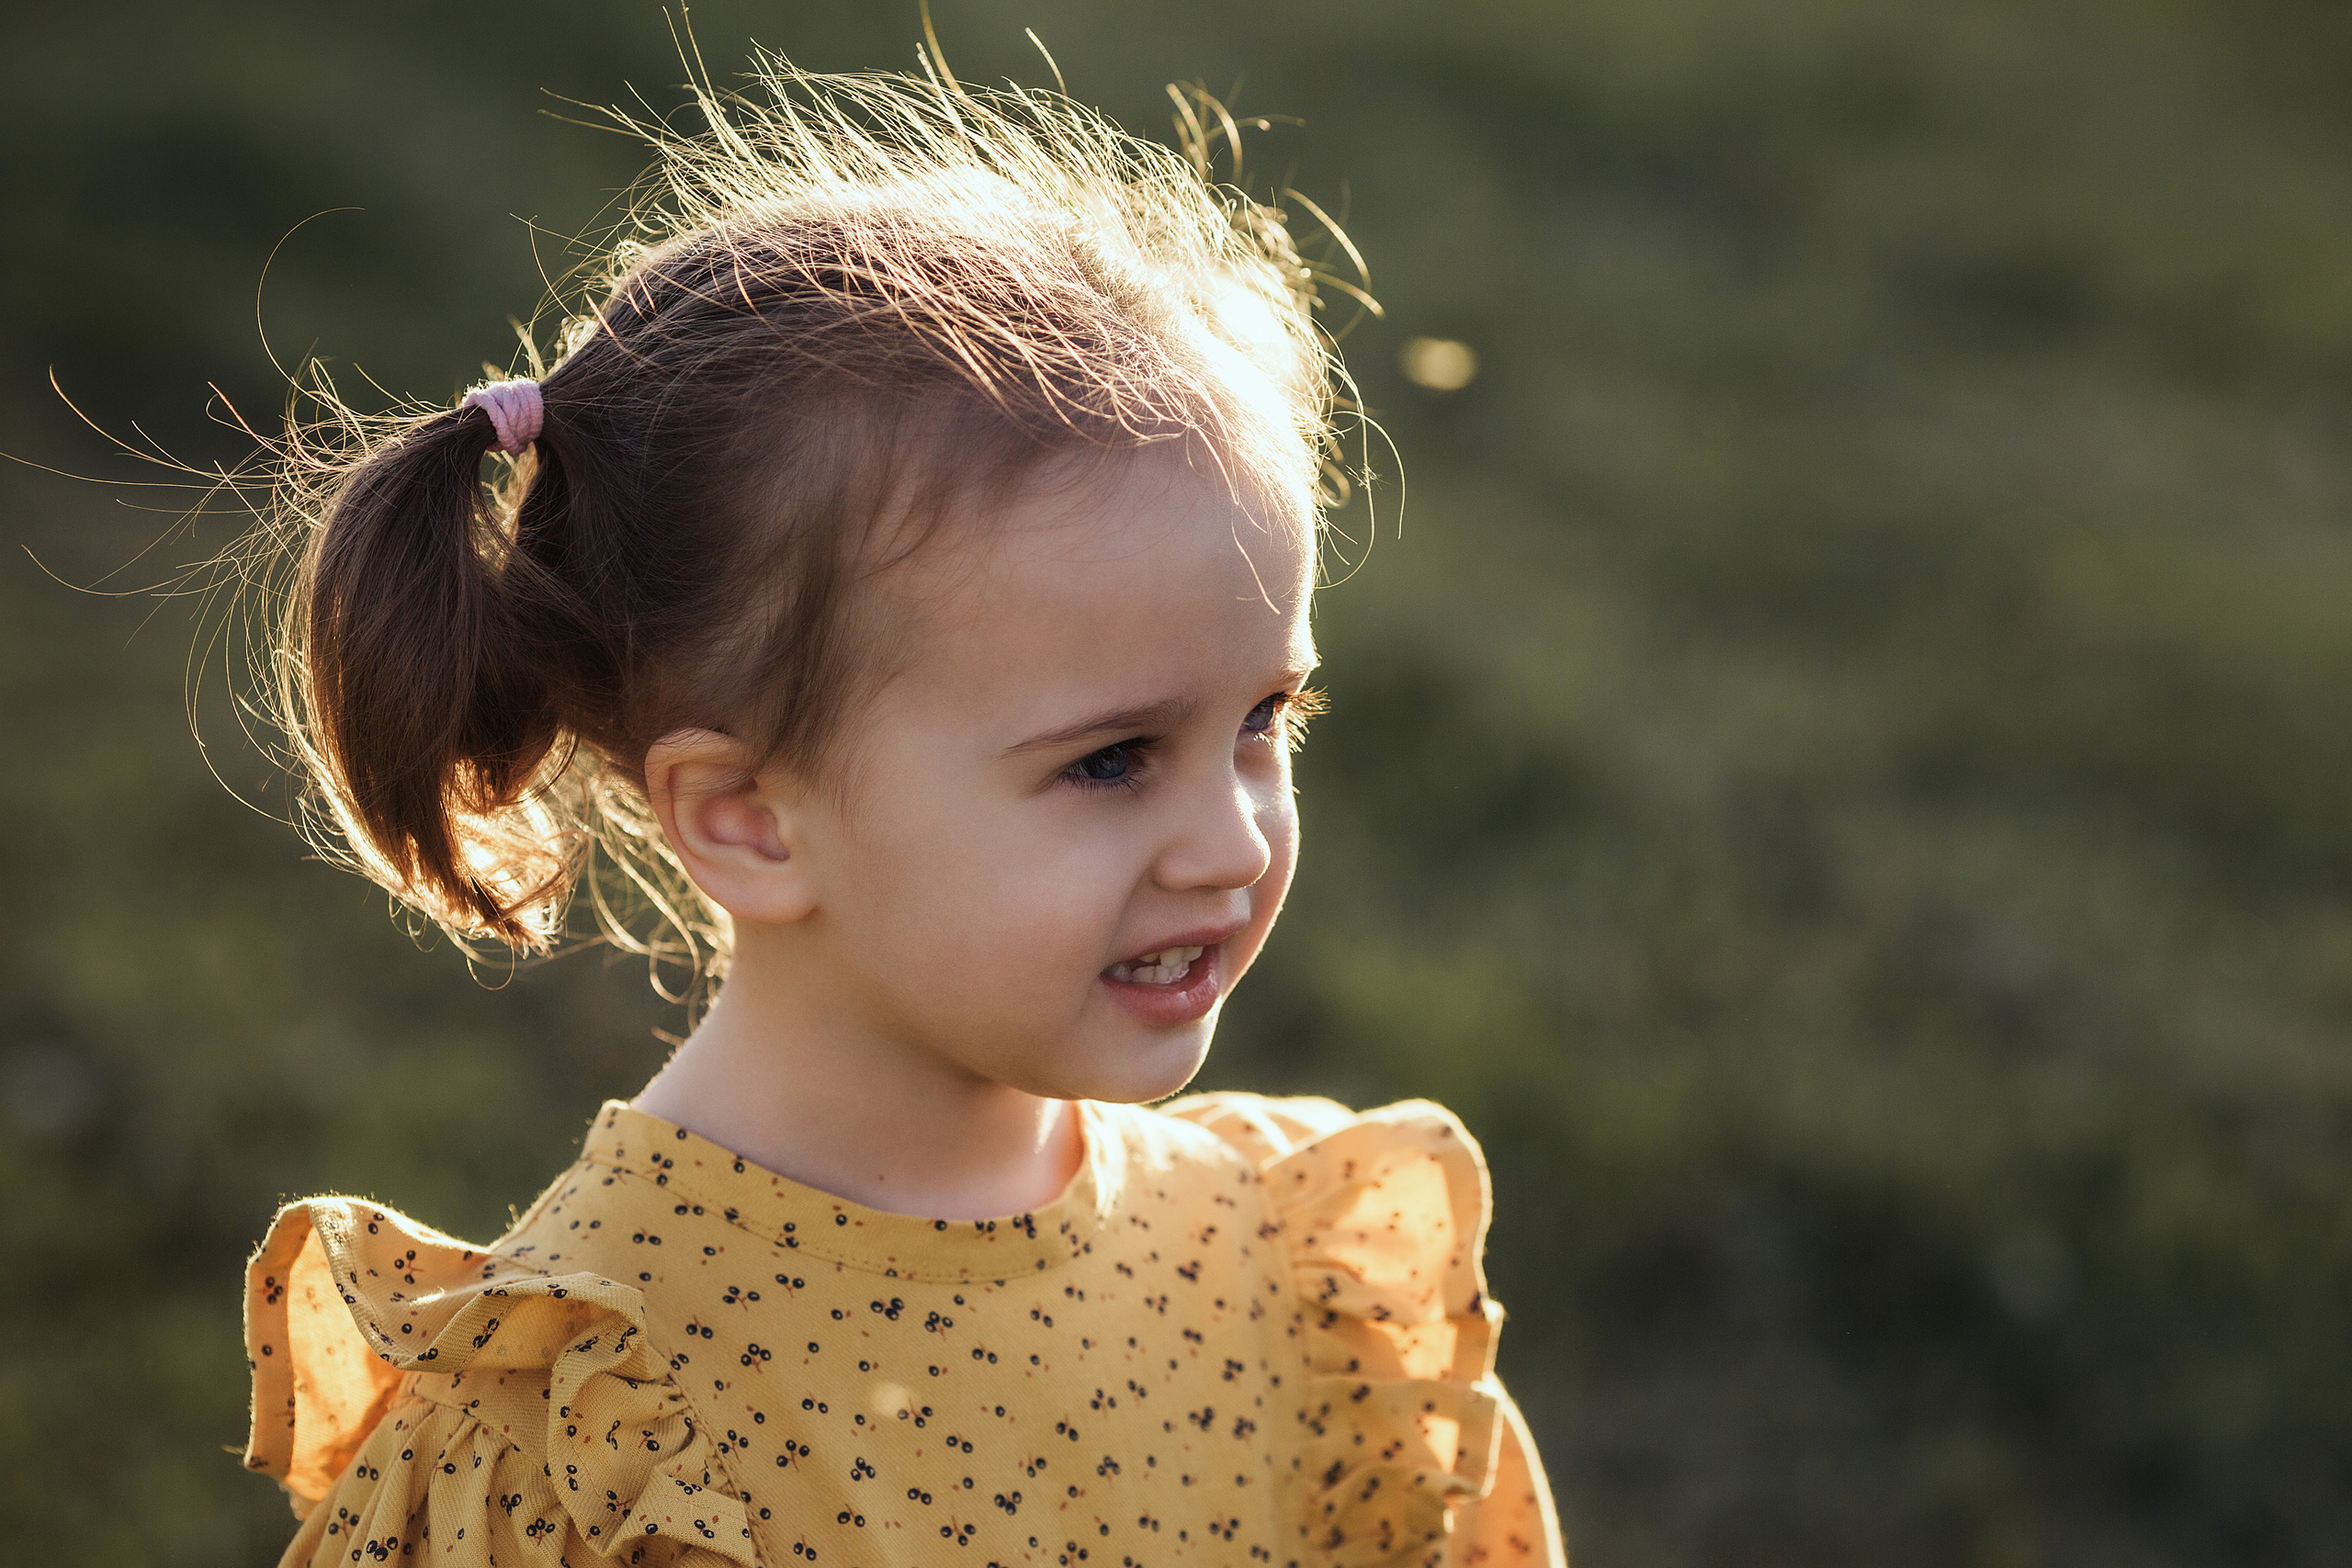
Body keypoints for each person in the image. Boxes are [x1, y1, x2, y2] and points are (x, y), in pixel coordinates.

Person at [231, 49, 1566, 1568]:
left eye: (1266, 720)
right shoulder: (592, 1429)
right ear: (746, 816)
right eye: (1115, 759)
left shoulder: (1278, 1262)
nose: (1239, 842)